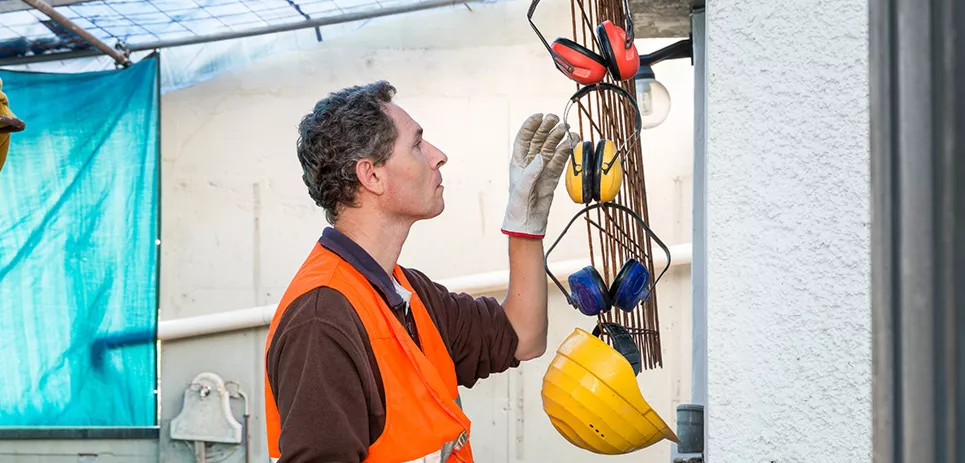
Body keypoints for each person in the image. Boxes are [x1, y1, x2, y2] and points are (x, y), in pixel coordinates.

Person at [263, 80, 578, 463]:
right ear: (371, 176)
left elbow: (523, 337)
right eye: (416, 144)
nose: (438, 156)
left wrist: (525, 226)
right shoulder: (322, 318)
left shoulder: (405, 292)